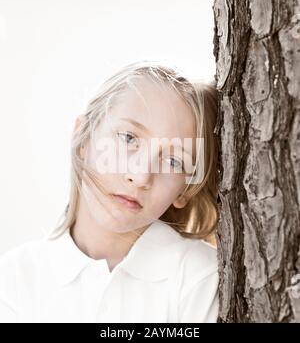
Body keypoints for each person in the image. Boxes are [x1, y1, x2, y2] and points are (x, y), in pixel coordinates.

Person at [0, 60, 220, 323]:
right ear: (83, 138)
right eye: (128, 138)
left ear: (185, 190)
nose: (140, 177)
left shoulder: (198, 275)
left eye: (173, 161)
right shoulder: (14, 279)